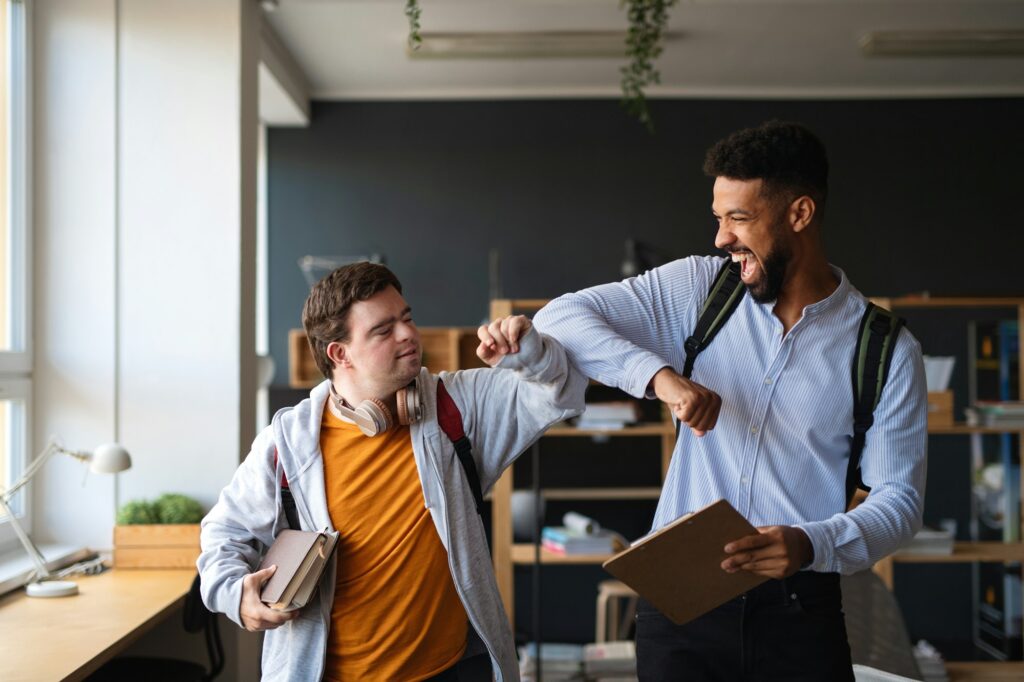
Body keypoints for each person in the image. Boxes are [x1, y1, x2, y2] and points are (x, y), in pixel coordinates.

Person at [533, 120, 927, 681]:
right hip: (679, 609)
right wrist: (660, 378)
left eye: (739, 218)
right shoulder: (699, 291)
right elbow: (559, 319)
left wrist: (810, 544)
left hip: (801, 614)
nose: (721, 238)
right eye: (719, 218)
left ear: (800, 214)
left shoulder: (885, 349)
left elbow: (900, 501)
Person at [199, 262, 586, 681]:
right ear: (339, 353)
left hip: (454, 670)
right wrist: (237, 596)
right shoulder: (286, 444)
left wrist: (531, 353)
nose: (408, 334)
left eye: (407, 318)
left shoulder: (456, 405)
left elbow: (560, 393)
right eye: (384, 330)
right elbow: (223, 534)